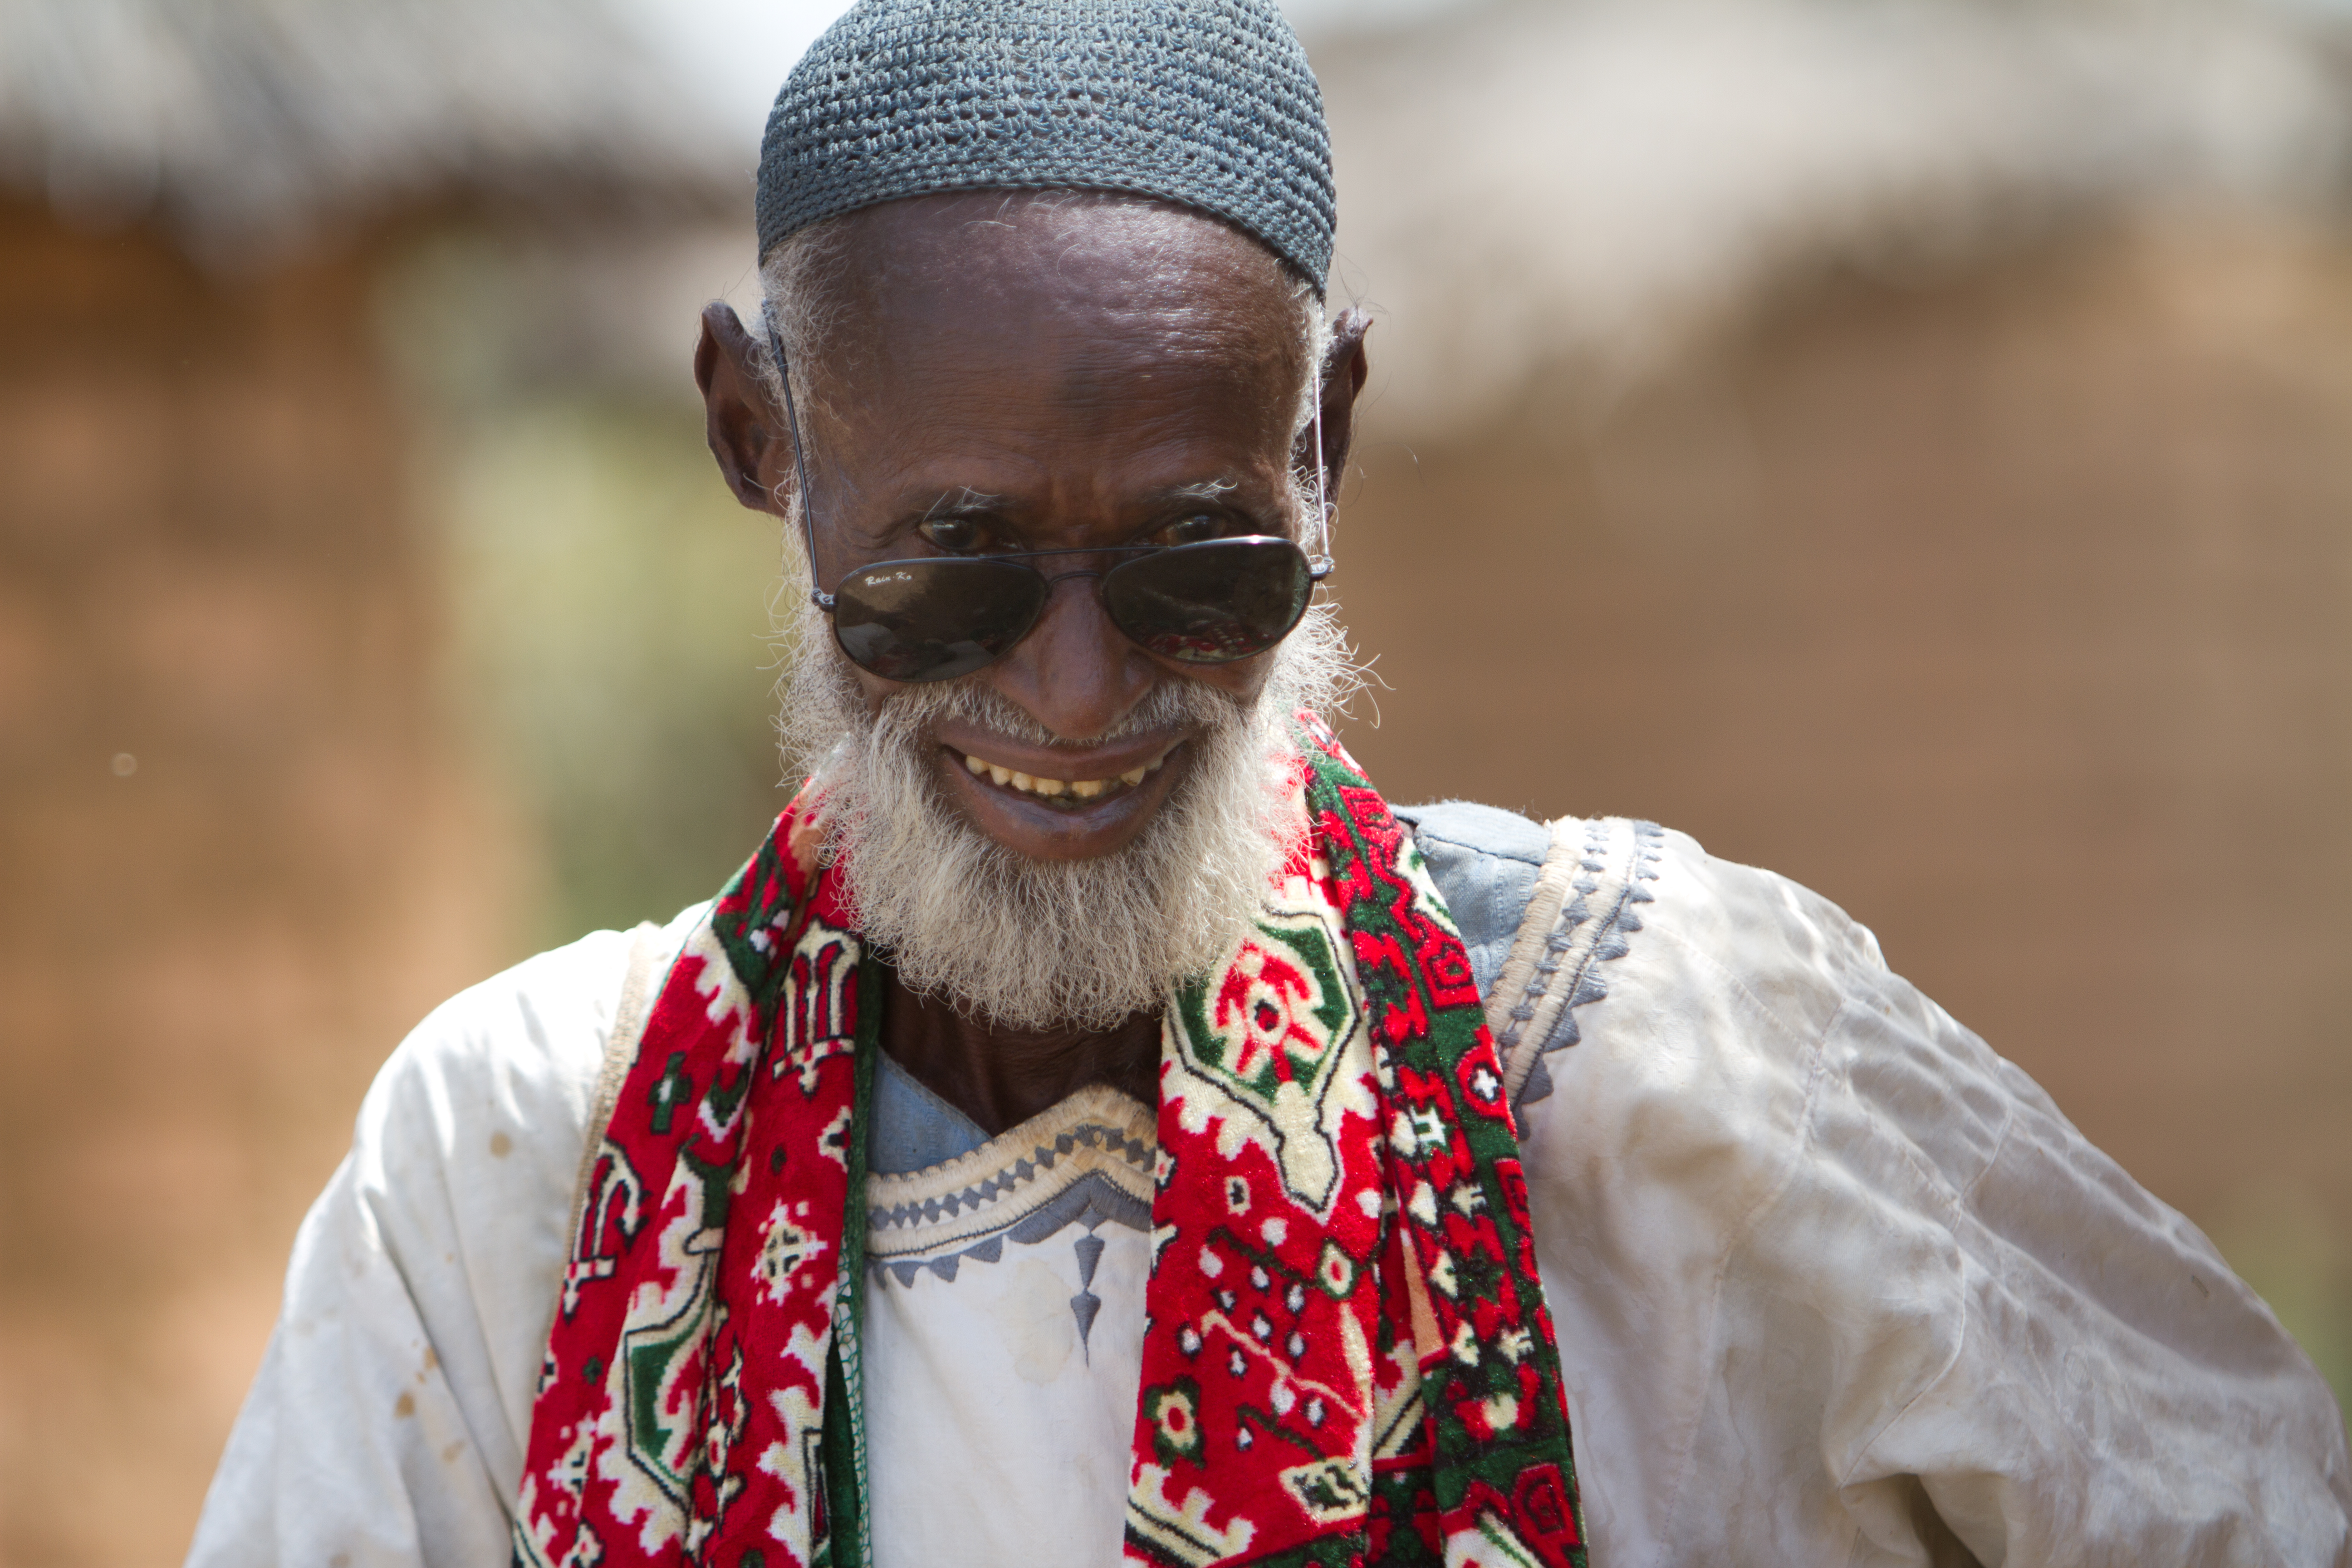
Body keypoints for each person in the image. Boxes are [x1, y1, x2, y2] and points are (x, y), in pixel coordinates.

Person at [187, 2, 2350, 1564]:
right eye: (949, 572)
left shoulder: (1664, 1067)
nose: (1075, 690)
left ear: (1325, 449)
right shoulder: (518, 1164)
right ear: (763, 442)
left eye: (1193, 566)